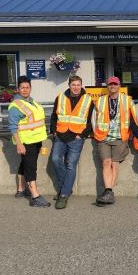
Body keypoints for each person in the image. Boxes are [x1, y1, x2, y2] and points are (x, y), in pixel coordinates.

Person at [50, 75, 94, 209]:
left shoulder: (88, 100)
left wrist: (82, 135)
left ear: (81, 85)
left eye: (78, 85)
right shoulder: (60, 97)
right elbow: (54, 116)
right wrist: (54, 131)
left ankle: (63, 195)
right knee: (56, 159)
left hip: (76, 138)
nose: (76, 87)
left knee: (70, 165)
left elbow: (91, 121)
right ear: (69, 85)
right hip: (61, 136)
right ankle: (66, 188)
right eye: (73, 85)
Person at [8, 75, 50, 207]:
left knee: (25, 164)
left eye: (27, 87)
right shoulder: (16, 105)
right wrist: (19, 145)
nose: (25, 90)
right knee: (31, 167)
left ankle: (21, 190)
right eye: (22, 88)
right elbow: (13, 127)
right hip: (26, 141)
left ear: (30, 88)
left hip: (36, 139)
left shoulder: (32, 102)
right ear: (18, 89)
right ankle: (35, 196)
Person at [93, 76, 132, 206]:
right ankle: (108, 192)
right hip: (103, 137)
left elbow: (134, 118)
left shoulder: (127, 100)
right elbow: (94, 118)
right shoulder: (100, 101)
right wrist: (95, 132)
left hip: (120, 137)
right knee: (106, 162)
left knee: (115, 164)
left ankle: (109, 192)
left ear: (119, 85)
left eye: (115, 84)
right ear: (107, 86)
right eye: (110, 84)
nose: (112, 86)